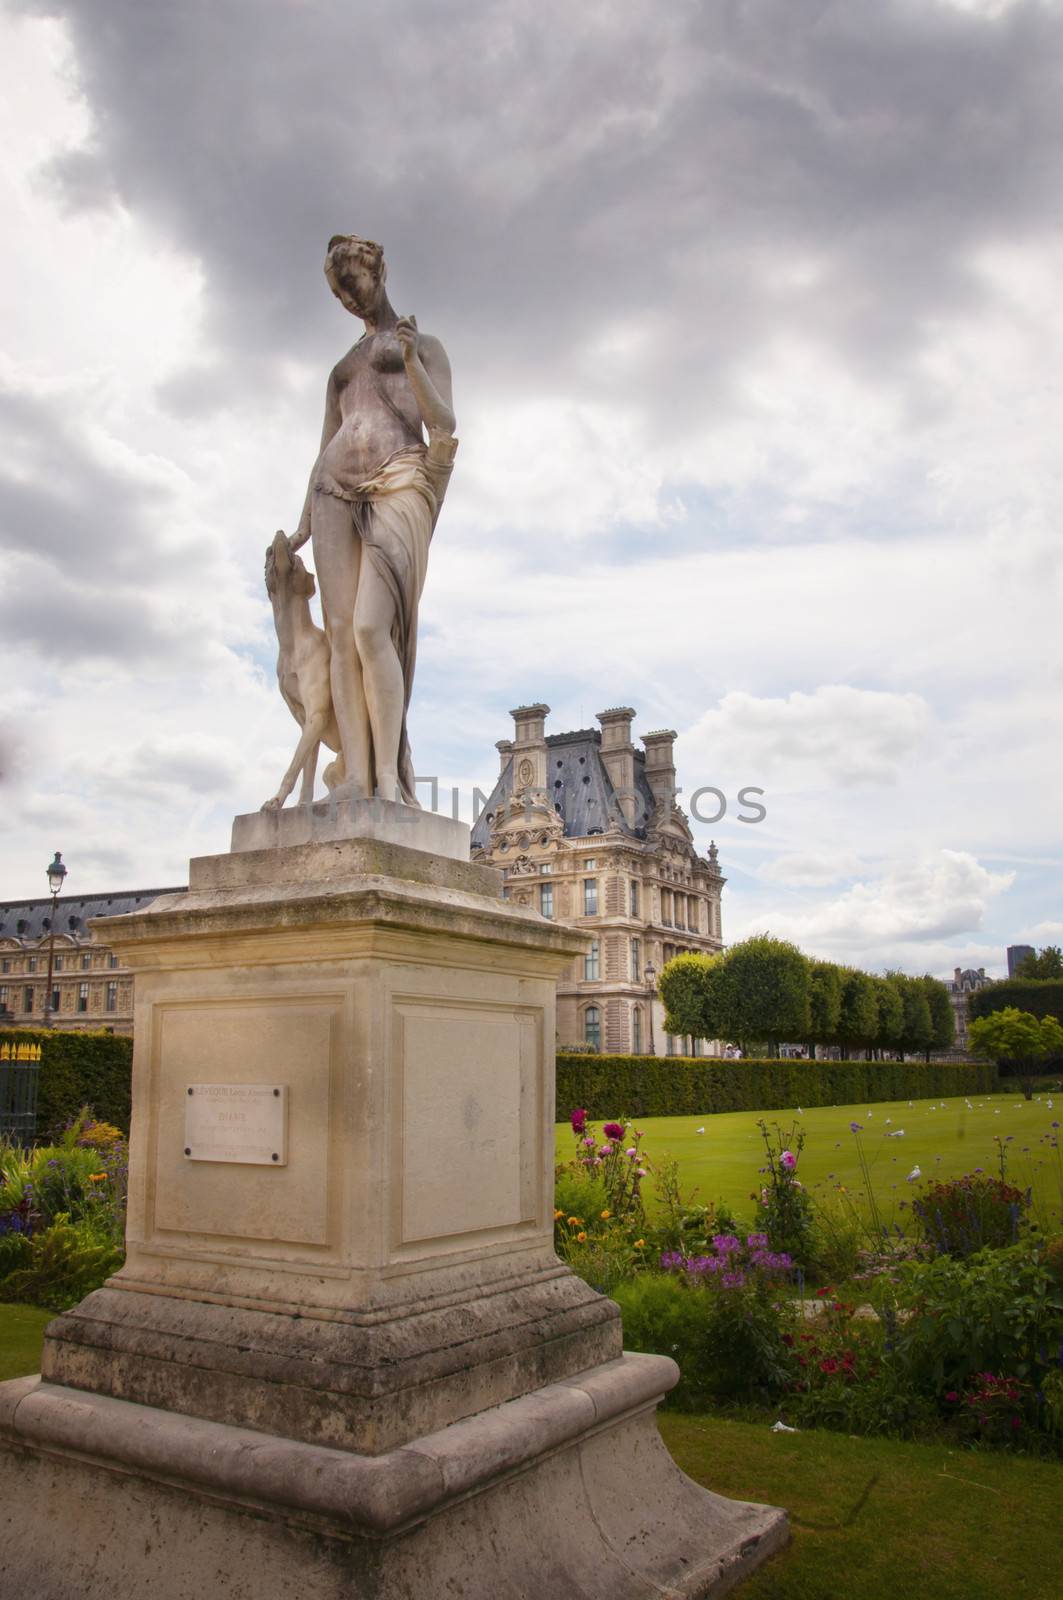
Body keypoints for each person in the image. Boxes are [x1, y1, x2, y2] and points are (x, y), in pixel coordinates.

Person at [286, 234, 457, 805]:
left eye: (354, 288)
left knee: (368, 628)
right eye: (340, 297)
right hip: (334, 487)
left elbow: (445, 425)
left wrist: (410, 362)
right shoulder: (341, 368)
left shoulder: (422, 344)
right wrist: (303, 520)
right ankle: (355, 777)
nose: (350, 303)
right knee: (339, 637)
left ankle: (388, 776)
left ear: (378, 274)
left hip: (401, 479)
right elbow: (323, 441)